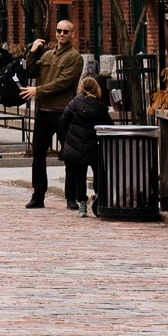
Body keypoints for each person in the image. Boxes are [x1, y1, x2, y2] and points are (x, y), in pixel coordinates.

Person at [21, 19, 82, 210]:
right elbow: (31, 71)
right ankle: (38, 195)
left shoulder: (75, 58)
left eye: (66, 31)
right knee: (38, 154)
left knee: (69, 156)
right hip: (44, 113)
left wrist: (38, 90)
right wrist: (31, 53)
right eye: (59, 31)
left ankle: (71, 197)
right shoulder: (47, 55)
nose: (62, 34)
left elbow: (63, 82)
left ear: (72, 34)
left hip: (63, 112)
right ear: (55, 33)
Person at [58, 75, 112, 216]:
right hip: (95, 146)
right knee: (99, 174)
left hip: (76, 146)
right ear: (97, 90)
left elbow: (63, 120)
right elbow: (109, 126)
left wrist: (70, 136)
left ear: (81, 88)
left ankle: (82, 205)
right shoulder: (100, 108)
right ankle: (99, 197)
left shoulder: (73, 104)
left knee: (79, 176)